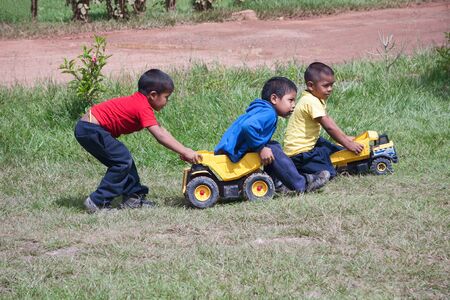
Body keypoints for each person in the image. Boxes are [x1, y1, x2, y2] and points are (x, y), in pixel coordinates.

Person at [75, 69, 202, 213]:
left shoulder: (140, 102)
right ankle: (97, 201)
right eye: (167, 97)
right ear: (153, 95)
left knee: (124, 160)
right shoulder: (142, 106)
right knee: (122, 161)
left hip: (90, 128)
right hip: (90, 129)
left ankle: (133, 199)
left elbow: (162, 130)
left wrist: (183, 150)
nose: (167, 101)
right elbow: (159, 135)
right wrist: (185, 151)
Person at [215, 76, 330, 194]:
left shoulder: (263, 109)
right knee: (272, 149)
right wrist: (260, 148)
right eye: (290, 100)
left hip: (234, 149)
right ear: (274, 99)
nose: (294, 105)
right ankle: (302, 183)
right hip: (234, 153)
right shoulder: (269, 113)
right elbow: (248, 126)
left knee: (272, 145)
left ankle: (277, 182)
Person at [283, 62, 364, 178]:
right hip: (300, 154)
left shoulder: (314, 98)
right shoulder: (310, 101)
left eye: (332, 85)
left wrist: (345, 137)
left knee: (336, 150)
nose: (330, 89)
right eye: (326, 86)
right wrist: (348, 144)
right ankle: (301, 174)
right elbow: (329, 127)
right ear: (311, 86)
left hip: (311, 144)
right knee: (329, 172)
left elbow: (329, 120)